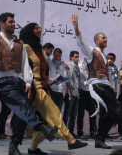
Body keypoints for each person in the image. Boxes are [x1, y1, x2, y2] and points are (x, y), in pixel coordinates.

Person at [0, 0, 58, 155]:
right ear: (2, 24)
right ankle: (42, 127)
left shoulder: (19, 43)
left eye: (14, 22)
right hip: (3, 80)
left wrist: (27, 82)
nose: (13, 24)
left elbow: (25, 64)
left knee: (21, 112)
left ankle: (14, 146)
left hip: (19, 80)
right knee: (22, 105)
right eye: (10, 22)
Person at [72, 14, 122, 149]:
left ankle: (99, 139)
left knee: (109, 114)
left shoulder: (104, 55)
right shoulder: (91, 52)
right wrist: (76, 28)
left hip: (106, 86)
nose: (105, 39)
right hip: (98, 85)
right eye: (103, 38)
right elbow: (81, 43)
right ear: (97, 41)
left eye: (106, 37)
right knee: (117, 107)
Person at [19, 23, 87, 154]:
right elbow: (22, 68)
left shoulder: (38, 49)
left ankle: (33, 148)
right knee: (54, 112)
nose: (40, 30)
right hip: (34, 87)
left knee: (46, 122)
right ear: (29, 32)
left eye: (40, 28)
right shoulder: (25, 48)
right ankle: (71, 140)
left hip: (44, 86)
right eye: (36, 28)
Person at [77, 57, 97, 138]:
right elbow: (78, 80)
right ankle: (80, 132)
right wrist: (85, 83)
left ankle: (93, 132)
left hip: (91, 92)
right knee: (81, 113)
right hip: (82, 91)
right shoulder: (79, 66)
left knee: (93, 112)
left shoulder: (93, 66)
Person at [62, 51, 81, 136]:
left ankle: (71, 131)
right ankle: (63, 131)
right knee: (67, 114)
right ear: (71, 57)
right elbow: (67, 81)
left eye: (78, 57)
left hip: (76, 93)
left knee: (74, 114)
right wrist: (69, 93)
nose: (77, 59)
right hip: (71, 93)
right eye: (76, 57)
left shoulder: (77, 67)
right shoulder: (69, 66)